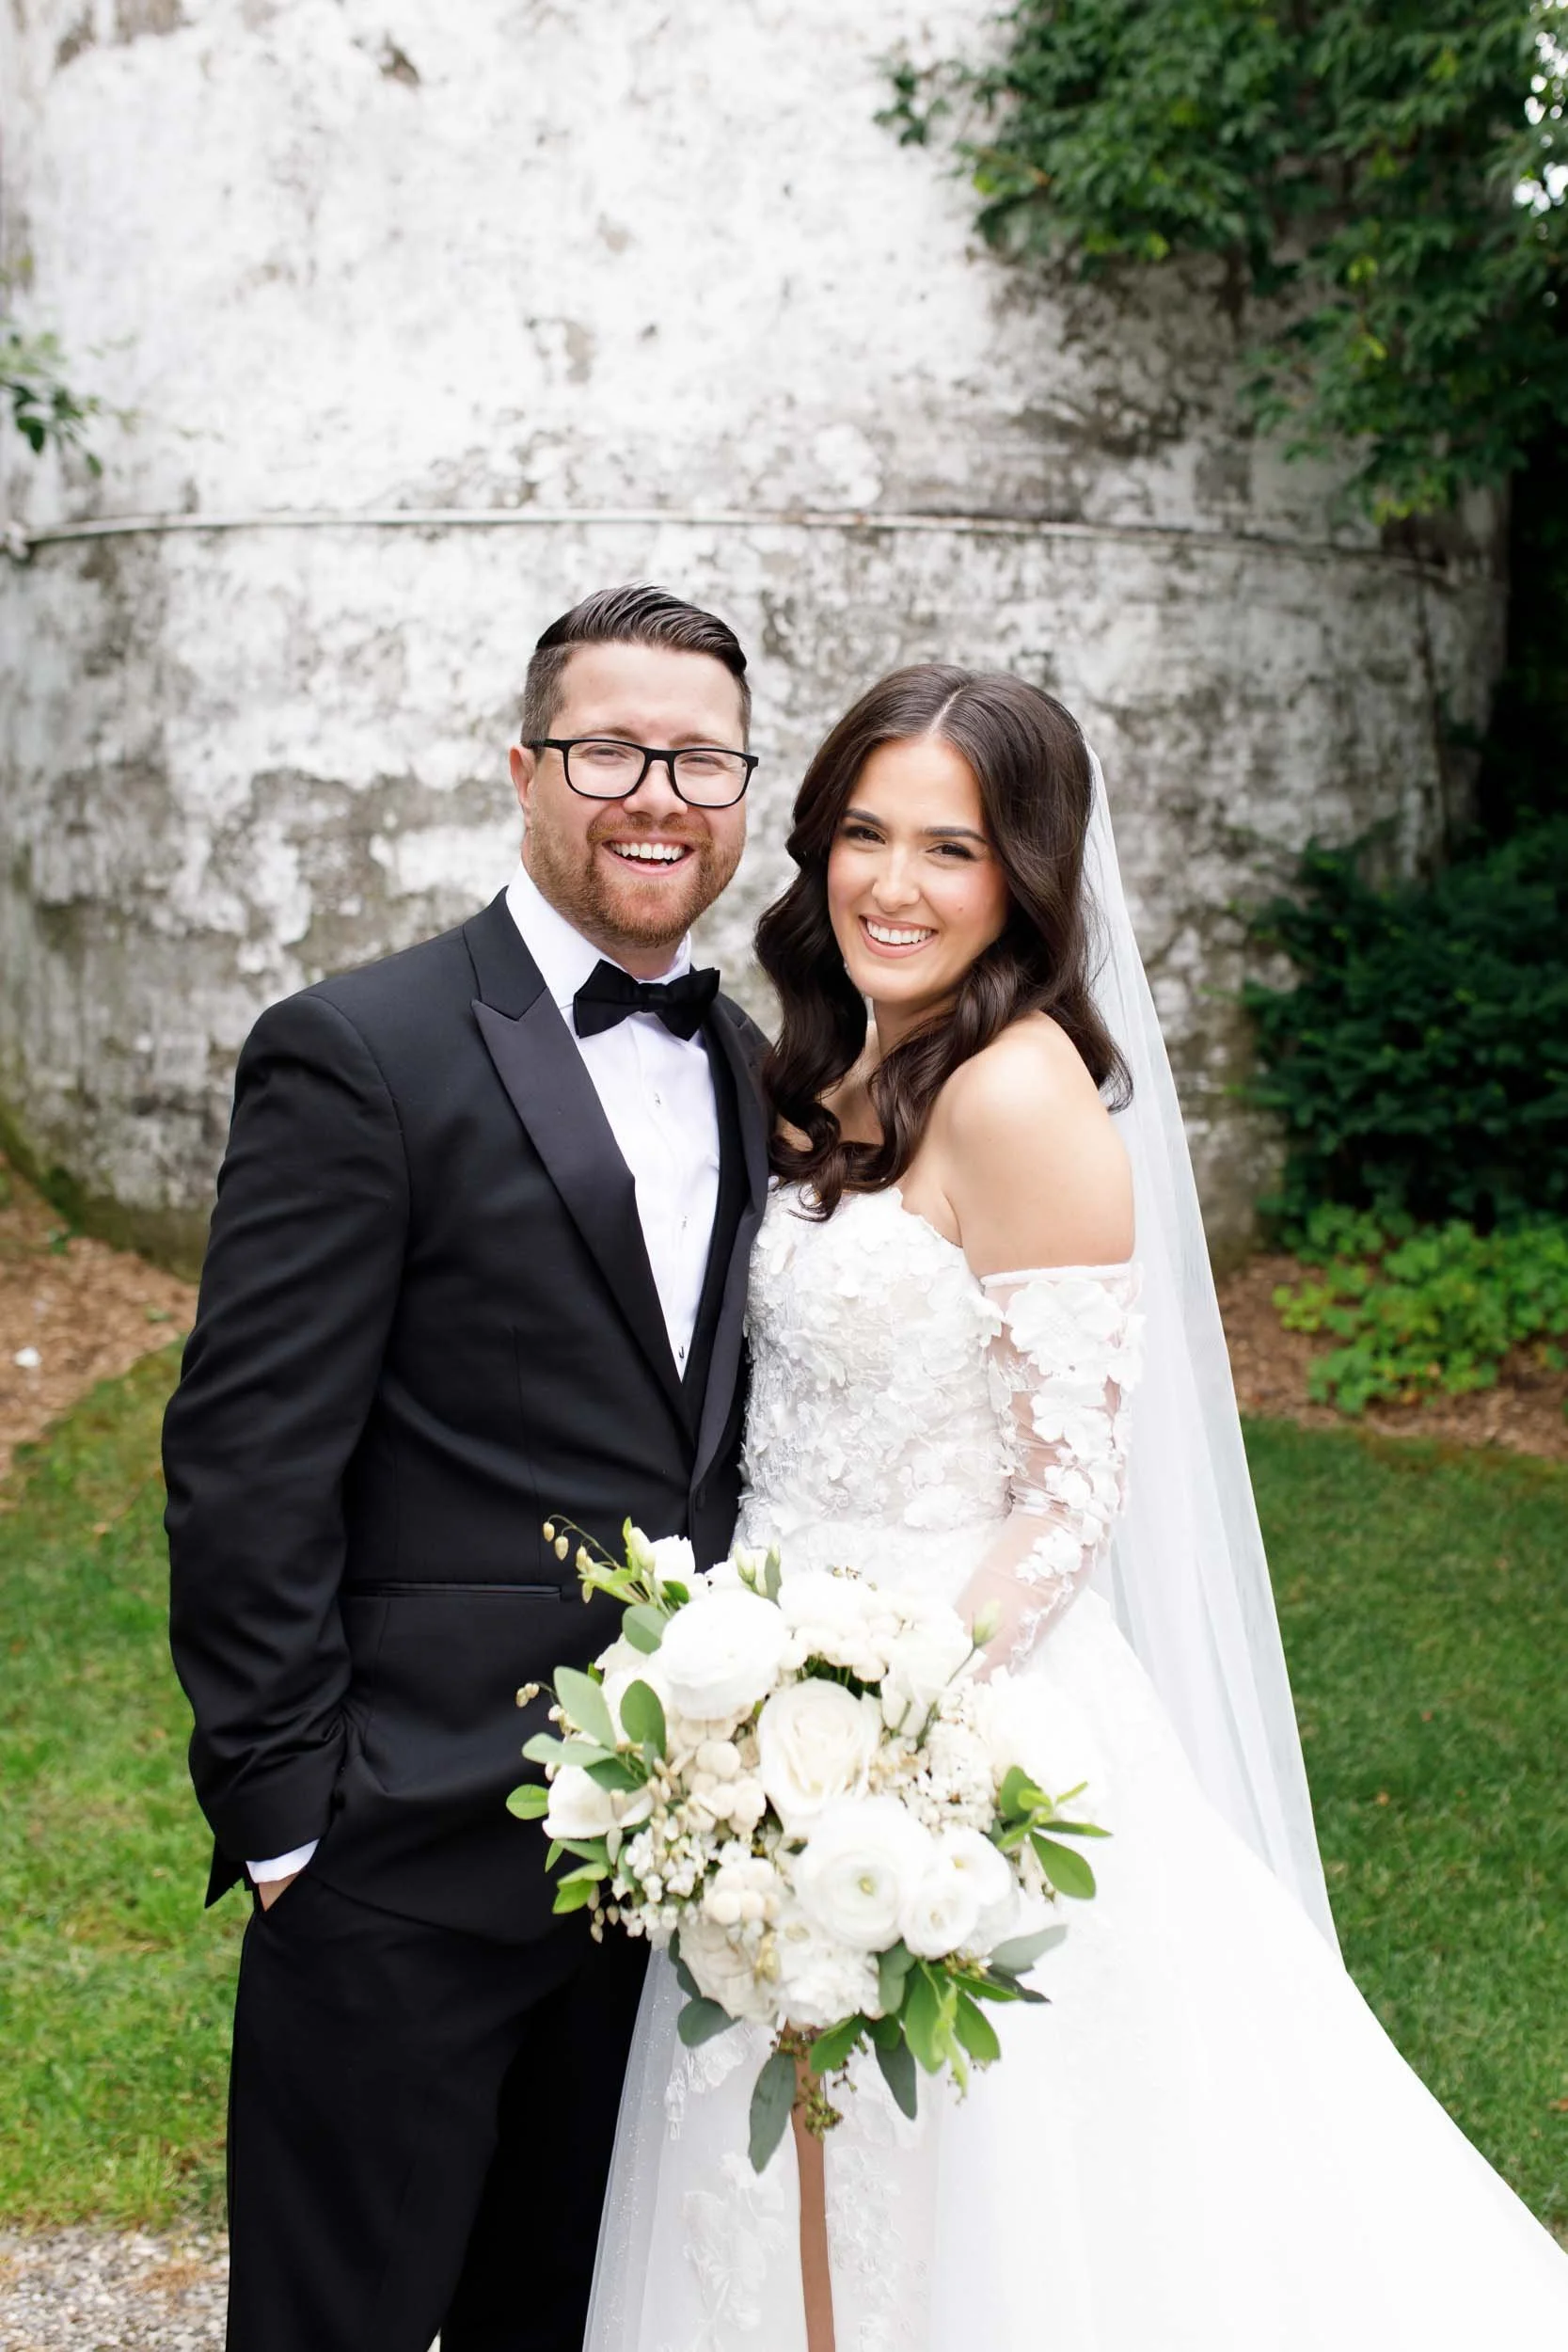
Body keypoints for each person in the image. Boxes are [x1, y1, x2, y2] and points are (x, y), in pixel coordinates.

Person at [582, 665, 1568, 2350]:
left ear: (1022, 879)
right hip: (756, 1708)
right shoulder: (828, 1064)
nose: (893, 885)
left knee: (1002, 2189)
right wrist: (746, 1712)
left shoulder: (1018, 1091)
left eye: (950, 851)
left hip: (946, 1726)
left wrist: (876, 1725)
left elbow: (1066, 1497)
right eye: (865, 834)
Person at [163, 583, 770, 2352]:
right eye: (608, 750)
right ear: (523, 768)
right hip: (401, 1850)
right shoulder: (360, 1049)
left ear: (740, 789)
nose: (656, 793)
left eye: (701, 758)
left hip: (665, 1870)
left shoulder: (751, 1066)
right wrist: (288, 1821)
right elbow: (247, 1457)